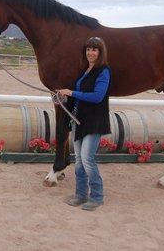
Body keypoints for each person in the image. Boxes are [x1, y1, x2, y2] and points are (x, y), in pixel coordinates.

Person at [57, 36, 111, 211]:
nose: (90, 53)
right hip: (79, 120)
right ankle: (80, 195)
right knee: (79, 160)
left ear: (100, 52)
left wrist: (72, 92)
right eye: (88, 49)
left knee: (87, 159)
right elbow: (78, 95)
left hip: (94, 121)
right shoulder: (85, 70)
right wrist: (64, 97)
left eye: (94, 50)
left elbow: (97, 97)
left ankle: (97, 196)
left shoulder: (104, 71)